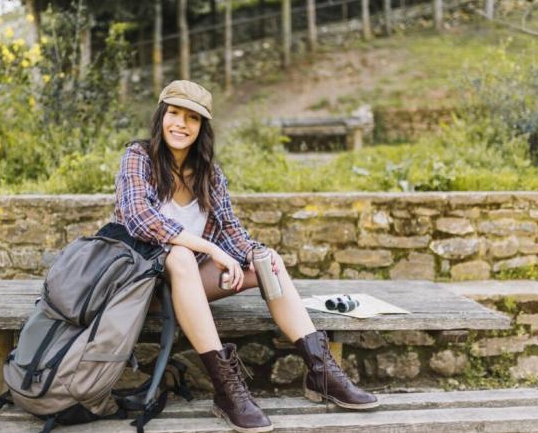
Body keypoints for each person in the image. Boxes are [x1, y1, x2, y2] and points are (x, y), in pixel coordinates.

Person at [113, 80, 378, 432]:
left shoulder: (209, 173)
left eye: (191, 118)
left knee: (267, 261)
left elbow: (231, 230)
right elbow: (138, 218)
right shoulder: (138, 157)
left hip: (189, 285)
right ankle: (227, 390)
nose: (180, 124)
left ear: (202, 126)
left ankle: (321, 373)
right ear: (161, 116)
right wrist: (209, 249)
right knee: (178, 255)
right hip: (142, 288)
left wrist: (254, 252)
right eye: (173, 113)